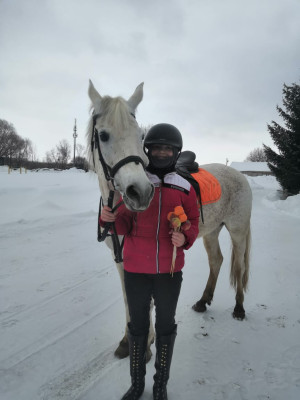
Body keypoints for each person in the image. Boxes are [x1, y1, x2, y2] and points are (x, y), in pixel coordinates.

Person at [100, 123, 199, 400]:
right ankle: (136, 385)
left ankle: (160, 385)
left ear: (175, 152)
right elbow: (122, 222)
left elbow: (193, 222)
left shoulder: (185, 188)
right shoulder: (137, 182)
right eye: (157, 147)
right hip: (135, 271)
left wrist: (186, 237)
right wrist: (107, 219)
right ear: (148, 150)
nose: (162, 152)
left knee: (166, 327)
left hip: (169, 272)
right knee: (137, 327)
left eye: (167, 148)